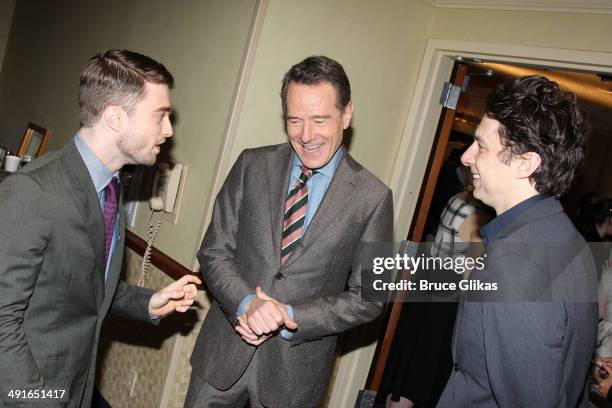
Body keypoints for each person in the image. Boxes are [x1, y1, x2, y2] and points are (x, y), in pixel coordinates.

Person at [185, 55, 393, 408]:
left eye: (320, 120)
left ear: (347, 114)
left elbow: (370, 298)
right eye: (294, 120)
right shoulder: (252, 164)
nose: (306, 135)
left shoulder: (373, 198)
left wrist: (290, 317)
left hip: (294, 380)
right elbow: (213, 251)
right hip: (221, 360)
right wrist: (247, 304)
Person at [0, 49, 201, 408]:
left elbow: (83, 286)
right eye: (160, 116)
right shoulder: (31, 192)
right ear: (115, 118)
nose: (169, 130)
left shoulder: (110, 188)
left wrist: (149, 302)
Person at [437, 76, 598, 407]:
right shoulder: (569, 239)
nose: (466, 157)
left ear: (526, 162)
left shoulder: (515, 268)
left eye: (481, 146)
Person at [381, 165, 490, 408]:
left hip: (426, 281)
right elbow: (469, 274)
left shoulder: (456, 199)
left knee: (406, 368)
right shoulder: (476, 213)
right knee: (422, 373)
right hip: (445, 297)